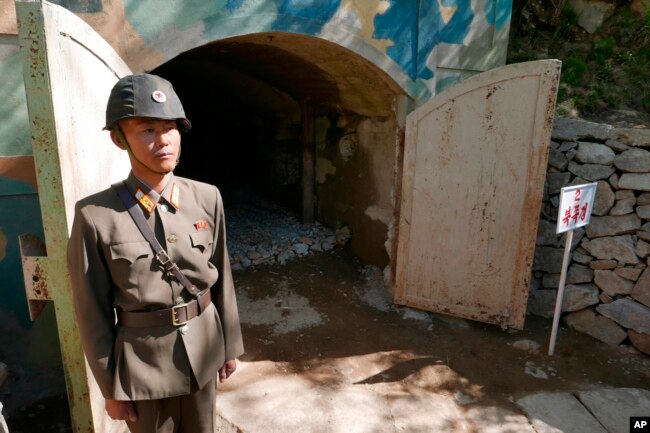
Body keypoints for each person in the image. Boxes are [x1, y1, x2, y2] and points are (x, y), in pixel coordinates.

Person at [67, 73, 244, 433]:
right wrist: (110, 387)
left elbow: (221, 276)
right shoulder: (95, 216)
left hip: (204, 351)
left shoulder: (206, 197)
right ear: (120, 140)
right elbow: (92, 313)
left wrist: (229, 344)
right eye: (146, 130)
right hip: (143, 366)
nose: (163, 141)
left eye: (170, 128)